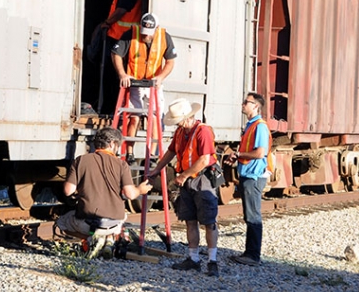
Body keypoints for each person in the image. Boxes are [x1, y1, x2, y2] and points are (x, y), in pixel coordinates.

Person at [147, 98, 222, 277]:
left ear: (187, 117)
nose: (176, 124)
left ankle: (212, 261)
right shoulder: (181, 132)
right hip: (188, 179)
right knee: (190, 219)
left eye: (177, 120)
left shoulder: (203, 131)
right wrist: (157, 169)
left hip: (202, 178)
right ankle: (193, 259)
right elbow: (171, 151)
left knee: (209, 221)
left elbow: (204, 159)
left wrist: (183, 175)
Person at [55, 127, 153, 255]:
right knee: (123, 216)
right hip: (113, 224)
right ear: (112, 144)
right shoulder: (122, 165)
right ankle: (109, 239)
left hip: (87, 224)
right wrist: (140, 189)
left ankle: (90, 238)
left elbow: (68, 191)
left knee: (60, 223)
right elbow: (130, 194)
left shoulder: (81, 160)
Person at [110, 13, 177, 163]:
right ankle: (130, 153)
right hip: (135, 83)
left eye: (149, 33)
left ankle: (152, 155)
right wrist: (122, 74)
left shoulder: (164, 37)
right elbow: (116, 53)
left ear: (156, 28)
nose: (146, 36)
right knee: (133, 118)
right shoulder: (131, 34)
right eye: (144, 32)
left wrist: (160, 77)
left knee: (154, 118)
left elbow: (170, 61)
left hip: (154, 83)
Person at [226, 92, 271, 266]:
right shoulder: (252, 125)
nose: (243, 104)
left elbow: (260, 152)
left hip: (254, 176)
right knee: (250, 215)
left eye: (247, 102)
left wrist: (239, 154)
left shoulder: (259, 126)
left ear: (256, 106)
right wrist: (238, 157)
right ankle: (250, 253)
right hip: (249, 175)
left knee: (253, 216)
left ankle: (253, 255)